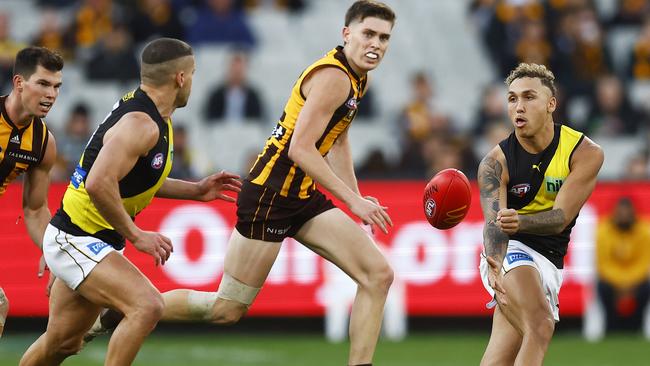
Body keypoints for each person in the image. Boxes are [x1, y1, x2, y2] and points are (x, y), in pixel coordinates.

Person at [91, 2, 397, 365]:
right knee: (225, 309)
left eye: (383, 37)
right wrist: (354, 202)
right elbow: (300, 149)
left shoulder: (357, 77)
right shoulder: (335, 78)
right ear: (347, 34)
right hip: (270, 196)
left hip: (301, 195)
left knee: (378, 276)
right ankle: (120, 311)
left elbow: (338, 139)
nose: (375, 43)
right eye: (368, 34)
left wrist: (356, 197)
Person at [19, 38, 241, 366]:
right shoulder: (142, 124)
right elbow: (98, 182)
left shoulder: (154, 115)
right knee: (147, 305)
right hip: (78, 237)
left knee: (62, 343)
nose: (193, 80)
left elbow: (134, 179)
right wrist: (137, 236)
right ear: (180, 78)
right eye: (192, 73)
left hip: (89, 237)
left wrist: (195, 190)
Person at [477, 62, 604, 366]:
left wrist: (520, 220)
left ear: (551, 104)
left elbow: (560, 217)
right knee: (541, 325)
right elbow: (494, 227)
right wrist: (495, 263)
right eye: (512, 99)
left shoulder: (584, 153)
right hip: (512, 251)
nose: (518, 107)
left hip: (550, 260)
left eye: (529, 97)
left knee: (499, 358)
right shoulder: (494, 163)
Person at [0, 46, 63, 338]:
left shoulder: (42, 142)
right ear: (19, 83)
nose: (51, 94)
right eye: (43, 83)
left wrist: (51, 250)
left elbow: (35, 210)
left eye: (56, 86)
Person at [596, 197, 650, 332]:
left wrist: (629, 284)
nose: (624, 217)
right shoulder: (604, 231)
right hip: (613, 283)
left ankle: (636, 329)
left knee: (646, 288)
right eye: (620, 213)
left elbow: (644, 264)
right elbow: (604, 265)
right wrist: (621, 284)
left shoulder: (644, 231)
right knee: (603, 287)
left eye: (627, 213)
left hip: (636, 283)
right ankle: (611, 329)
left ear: (633, 213)